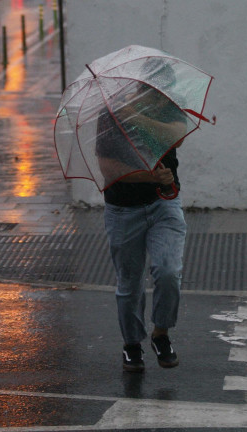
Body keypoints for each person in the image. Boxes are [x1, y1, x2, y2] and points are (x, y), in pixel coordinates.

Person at [95, 75, 189, 373]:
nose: (163, 98)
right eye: (156, 92)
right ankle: (132, 344)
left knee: (168, 271)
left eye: (165, 92)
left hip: (164, 203)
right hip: (123, 209)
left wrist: (137, 118)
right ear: (141, 89)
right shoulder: (110, 115)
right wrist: (149, 176)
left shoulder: (170, 108)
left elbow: (176, 135)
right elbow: (108, 170)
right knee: (130, 283)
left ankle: (161, 333)